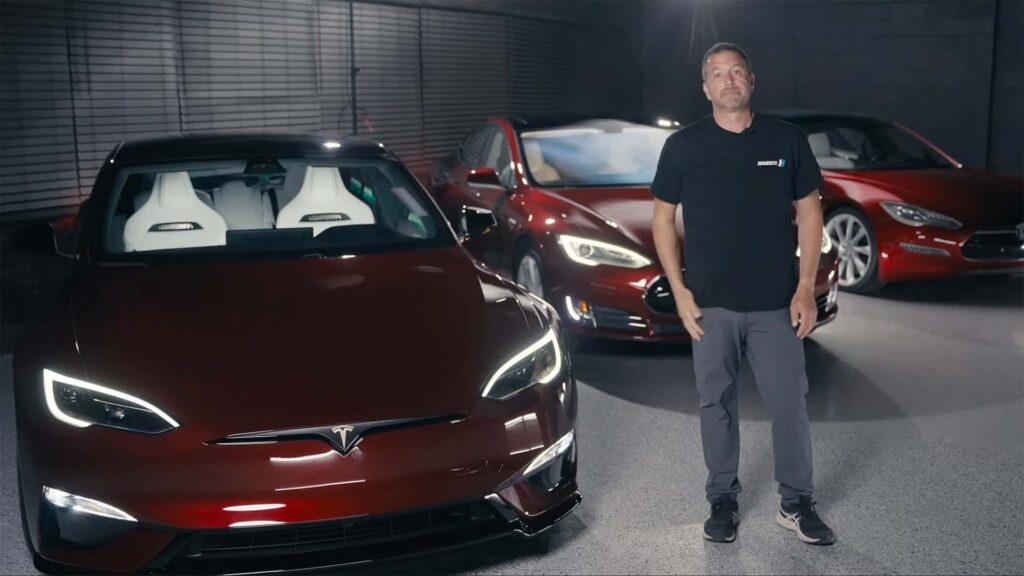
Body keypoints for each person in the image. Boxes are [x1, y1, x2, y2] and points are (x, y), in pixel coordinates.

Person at [649, 42, 835, 546]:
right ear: (705, 88)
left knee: (789, 404)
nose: (728, 80)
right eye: (717, 74)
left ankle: (796, 502)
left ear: (751, 80)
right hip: (709, 305)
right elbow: (663, 218)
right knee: (716, 402)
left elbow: (811, 211)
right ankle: (722, 499)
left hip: (776, 302)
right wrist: (679, 291)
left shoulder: (787, 139)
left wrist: (805, 287)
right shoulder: (683, 146)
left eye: (736, 72)